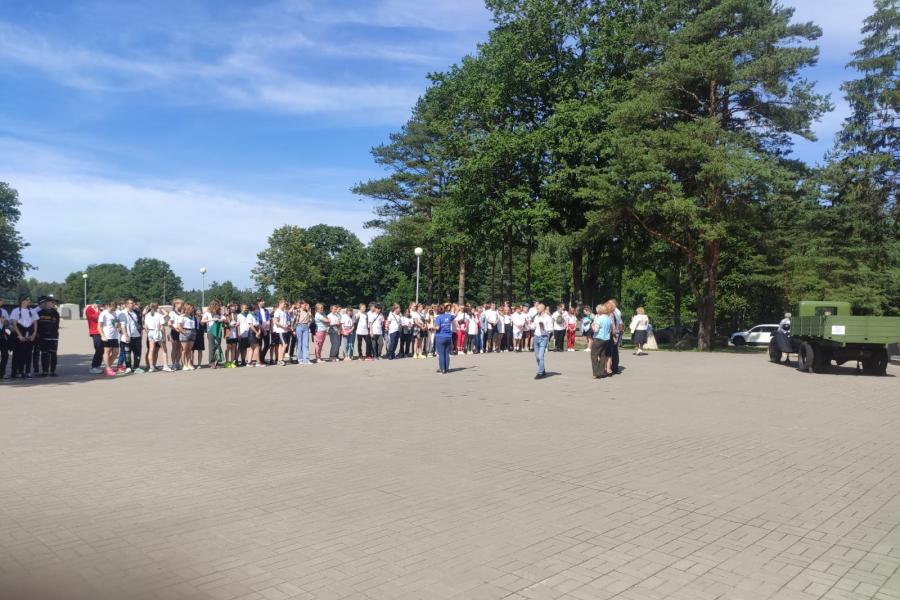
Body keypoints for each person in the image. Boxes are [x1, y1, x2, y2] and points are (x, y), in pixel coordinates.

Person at [35, 296, 61, 377]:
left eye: (54, 302)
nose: (54, 304)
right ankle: (45, 371)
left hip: (53, 336)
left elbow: (56, 325)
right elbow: (38, 326)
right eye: (52, 302)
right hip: (43, 337)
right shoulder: (40, 313)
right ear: (46, 303)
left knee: (53, 354)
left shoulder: (56, 313)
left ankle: (52, 371)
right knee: (44, 354)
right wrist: (39, 334)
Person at [144, 303, 172, 372]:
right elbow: (162, 326)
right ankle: (165, 366)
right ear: (157, 308)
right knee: (164, 350)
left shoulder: (147, 315)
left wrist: (148, 333)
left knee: (151, 350)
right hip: (157, 332)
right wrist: (163, 336)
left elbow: (146, 326)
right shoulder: (159, 315)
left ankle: (151, 367)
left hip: (150, 332)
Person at [97, 300, 120, 377]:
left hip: (114, 336)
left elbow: (116, 324)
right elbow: (99, 326)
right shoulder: (103, 314)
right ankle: (108, 368)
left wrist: (118, 327)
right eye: (113, 307)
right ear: (109, 306)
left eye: (115, 307)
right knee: (107, 351)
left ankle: (108, 367)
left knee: (116, 352)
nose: (114, 309)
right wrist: (103, 336)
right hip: (107, 336)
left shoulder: (115, 313)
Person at [590, 303, 613, 379]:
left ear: (599, 311)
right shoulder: (609, 319)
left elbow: (596, 330)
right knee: (603, 355)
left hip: (598, 338)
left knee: (594, 355)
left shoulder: (599, 319)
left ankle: (596, 373)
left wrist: (592, 326)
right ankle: (601, 372)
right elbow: (610, 329)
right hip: (606, 339)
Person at [532, 303, 553, 379]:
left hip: (543, 338)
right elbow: (533, 326)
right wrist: (527, 324)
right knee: (537, 357)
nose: (537, 309)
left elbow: (551, 329)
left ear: (542, 309)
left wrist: (544, 328)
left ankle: (540, 373)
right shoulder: (536, 317)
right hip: (536, 337)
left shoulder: (548, 318)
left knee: (540, 356)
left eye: (538, 308)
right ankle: (542, 370)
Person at [84, 299, 104, 374]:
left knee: (102, 350)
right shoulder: (89, 310)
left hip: (102, 331)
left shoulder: (100, 309)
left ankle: (98, 365)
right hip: (95, 331)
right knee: (98, 349)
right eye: (98, 304)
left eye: (100, 304)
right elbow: (96, 318)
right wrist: (97, 311)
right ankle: (93, 367)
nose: (100, 305)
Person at [433, 303, 454, 374]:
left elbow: (437, 327)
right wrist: (453, 307)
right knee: (447, 353)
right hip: (448, 337)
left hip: (440, 336)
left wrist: (432, 327)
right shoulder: (449, 316)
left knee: (441, 354)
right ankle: (447, 369)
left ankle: (442, 369)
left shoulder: (438, 318)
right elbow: (455, 315)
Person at [176, 302, 197, 370]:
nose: (193, 309)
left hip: (192, 332)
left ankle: (189, 364)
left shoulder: (192, 316)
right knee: (184, 350)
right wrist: (183, 332)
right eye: (191, 308)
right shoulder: (182, 316)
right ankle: (183, 365)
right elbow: (179, 326)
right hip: (185, 331)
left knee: (189, 350)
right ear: (188, 309)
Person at [271, 299, 290, 366]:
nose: (285, 305)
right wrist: (283, 326)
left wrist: (287, 327)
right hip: (280, 331)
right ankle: (281, 360)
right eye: (284, 304)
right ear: (280, 304)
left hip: (284, 330)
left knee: (281, 345)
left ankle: (279, 360)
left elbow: (284, 321)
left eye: (285, 304)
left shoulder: (284, 312)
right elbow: (276, 322)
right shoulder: (277, 312)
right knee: (285, 344)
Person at [254, 299, 272, 365]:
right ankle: (260, 360)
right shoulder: (256, 310)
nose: (264, 302)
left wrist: (268, 323)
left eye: (264, 301)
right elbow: (258, 321)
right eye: (262, 301)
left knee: (267, 344)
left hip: (266, 329)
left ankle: (262, 358)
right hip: (260, 330)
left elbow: (269, 318)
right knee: (260, 345)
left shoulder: (266, 310)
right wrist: (263, 330)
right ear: (258, 302)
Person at [168, 299, 184, 369]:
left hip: (181, 331)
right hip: (174, 331)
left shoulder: (181, 313)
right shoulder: (172, 313)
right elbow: (169, 324)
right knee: (174, 348)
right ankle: (173, 363)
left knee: (180, 348)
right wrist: (176, 329)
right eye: (181, 304)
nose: (182, 306)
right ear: (176, 304)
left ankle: (177, 363)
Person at [609, 299, 623, 374]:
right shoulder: (617, 311)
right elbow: (620, 322)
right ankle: (614, 367)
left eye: (610, 303)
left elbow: (616, 323)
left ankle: (612, 367)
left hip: (613, 333)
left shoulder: (615, 312)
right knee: (614, 351)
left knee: (612, 351)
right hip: (616, 332)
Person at [0, 304, 9, 379]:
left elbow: (7, 323)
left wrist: (3, 321)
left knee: (5, 355)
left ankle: (2, 373)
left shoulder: (4, 311)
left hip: (2, 335)